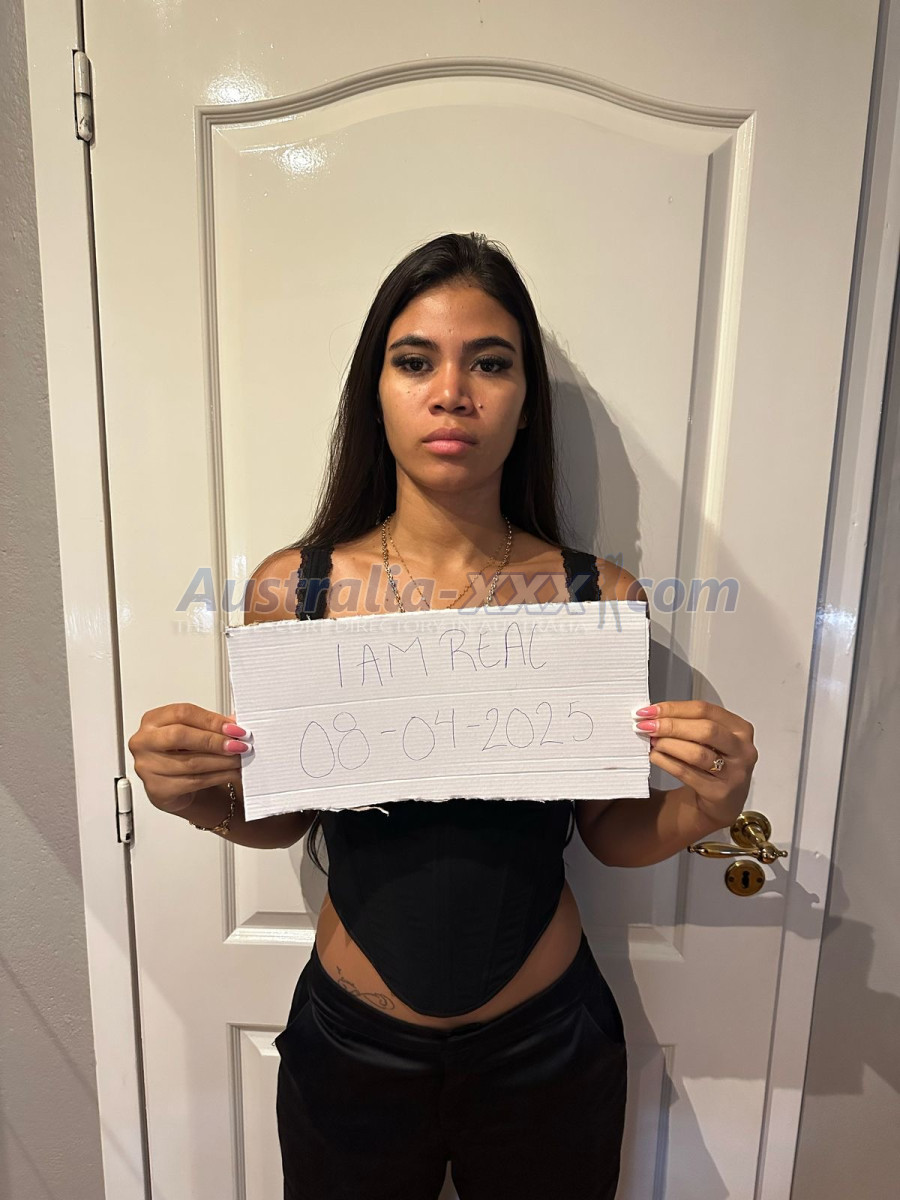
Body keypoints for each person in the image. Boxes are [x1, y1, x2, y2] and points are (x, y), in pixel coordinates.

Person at [128, 232, 759, 1199]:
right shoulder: (294, 590)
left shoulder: (593, 597)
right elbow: (284, 817)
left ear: (525, 401)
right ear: (375, 392)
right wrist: (194, 797)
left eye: (490, 363)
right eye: (416, 361)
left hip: (547, 1050)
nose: (452, 392)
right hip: (351, 1051)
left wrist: (705, 807)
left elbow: (605, 830)